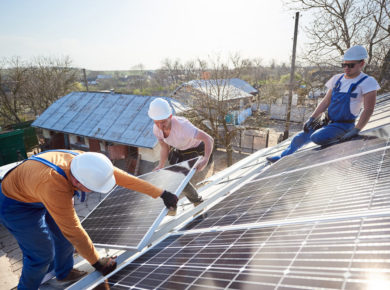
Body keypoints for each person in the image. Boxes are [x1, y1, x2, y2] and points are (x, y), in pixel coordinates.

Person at [0, 150, 177, 290]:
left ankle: (64, 272)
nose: (93, 191)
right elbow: (73, 230)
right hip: (15, 205)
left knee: (63, 237)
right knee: (41, 254)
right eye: (91, 189)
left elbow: (125, 178)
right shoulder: (54, 185)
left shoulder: (86, 163)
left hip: (34, 189)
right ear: (76, 182)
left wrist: (161, 193)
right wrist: (97, 262)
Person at [267, 45, 381, 163]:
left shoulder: (368, 82)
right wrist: (312, 118)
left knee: (317, 137)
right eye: (344, 65)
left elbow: (368, 109)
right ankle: (282, 158)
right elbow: (326, 101)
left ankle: (339, 147)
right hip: (328, 122)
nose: (346, 68)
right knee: (299, 138)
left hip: (344, 125)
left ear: (362, 63)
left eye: (351, 65)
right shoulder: (337, 79)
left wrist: (356, 130)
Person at [148, 98, 214, 215]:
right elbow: (164, 147)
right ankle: (173, 206)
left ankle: (197, 202)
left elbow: (208, 139)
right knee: (170, 176)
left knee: (179, 178)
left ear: (170, 116)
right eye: (156, 122)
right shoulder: (157, 129)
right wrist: (161, 164)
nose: (160, 125)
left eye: (163, 121)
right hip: (180, 150)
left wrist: (205, 158)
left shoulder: (183, 126)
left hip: (196, 149)